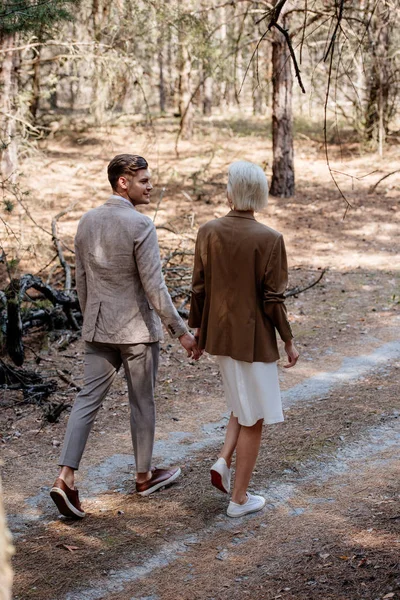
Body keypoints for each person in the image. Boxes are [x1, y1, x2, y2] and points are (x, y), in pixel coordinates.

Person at [50, 154, 201, 519]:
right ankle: (144, 476)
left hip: (99, 328)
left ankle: (65, 476)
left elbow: (82, 283)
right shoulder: (140, 225)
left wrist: (92, 322)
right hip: (136, 332)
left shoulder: (86, 221)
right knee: (142, 403)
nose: (150, 186)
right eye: (144, 180)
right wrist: (180, 332)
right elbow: (155, 287)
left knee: (87, 400)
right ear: (123, 182)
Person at [189, 160, 299, 518]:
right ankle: (238, 499)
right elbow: (273, 300)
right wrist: (288, 340)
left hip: (220, 340)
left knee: (241, 402)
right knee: (254, 418)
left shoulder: (208, 231)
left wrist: (199, 334)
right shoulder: (270, 239)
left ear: (232, 191)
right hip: (253, 342)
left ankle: (223, 461)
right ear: (259, 194)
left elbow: (199, 289)